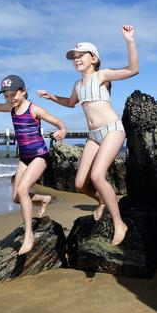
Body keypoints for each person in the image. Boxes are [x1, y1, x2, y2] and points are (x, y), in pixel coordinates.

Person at [37, 25, 139, 246]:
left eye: (80, 55)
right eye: (73, 57)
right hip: (94, 135)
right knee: (81, 183)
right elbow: (71, 103)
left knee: (97, 176)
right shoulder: (78, 85)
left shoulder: (102, 75)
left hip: (112, 130)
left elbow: (133, 70)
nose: (75, 59)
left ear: (94, 58)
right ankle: (102, 200)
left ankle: (119, 222)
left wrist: (129, 40)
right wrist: (51, 97)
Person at [0, 74, 67, 255]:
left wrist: (62, 130)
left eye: (13, 94)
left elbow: (57, 121)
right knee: (17, 198)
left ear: (23, 91)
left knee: (23, 190)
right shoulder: (11, 108)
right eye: (6, 95)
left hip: (40, 156)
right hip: (24, 158)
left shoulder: (34, 109)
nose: (10, 99)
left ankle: (28, 235)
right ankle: (43, 199)